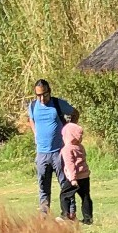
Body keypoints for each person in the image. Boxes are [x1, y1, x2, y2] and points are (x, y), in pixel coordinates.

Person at [26, 79, 77, 217]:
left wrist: (68, 129)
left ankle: (69, 213)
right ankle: (44, 215)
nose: (42, 98)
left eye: (45, 94)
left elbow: (75, 112)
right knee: (43, 186)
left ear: (50, 92)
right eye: (39, 95)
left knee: (65, 184)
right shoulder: (32, 106)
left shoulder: (58, 104)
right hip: (42, 154)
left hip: (59, 152)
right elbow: (30, 119)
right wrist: (35, 132)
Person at [58, 119, 92, 223]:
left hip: (74, 178)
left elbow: (70, 164)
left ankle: (65, 215)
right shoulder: (80, 147)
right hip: (85, 176)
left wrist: (72, 179)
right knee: (85, 197)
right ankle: (88, 219)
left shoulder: (67, 149)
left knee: (64, 195)